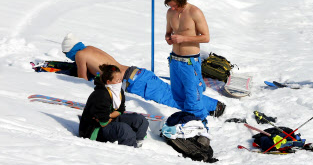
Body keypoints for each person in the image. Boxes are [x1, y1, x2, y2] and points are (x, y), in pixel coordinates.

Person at [60, 33, 224, 117]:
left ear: (70, 51)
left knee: (171, 99)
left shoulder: (80, 55)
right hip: (136, 73)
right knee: (172, 93)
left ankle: (213, 107)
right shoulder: (88, 48)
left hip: (133, 81)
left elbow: (82, 80)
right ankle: (214, 105)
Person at [165, 0, 225, 123]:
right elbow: (168, 31)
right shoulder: (170, 13)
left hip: (190, 62)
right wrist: (168, 38)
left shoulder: (194, 12)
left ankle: (201, 124)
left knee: (193, 97)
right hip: (175, 60)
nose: (172, 8)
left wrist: (183, 39)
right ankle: (188, 121)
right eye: (170, 5)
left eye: (174, 5)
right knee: (178, 96)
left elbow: (206, 37)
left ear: (181, 1)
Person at [78, 64, 149, 147]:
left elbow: (121, 110)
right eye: (117, 80)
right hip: (94, 130)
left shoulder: (118, 91)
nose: (120, 82)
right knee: (124, 129)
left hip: (107, 121)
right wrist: (111, 116)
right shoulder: (101, 95)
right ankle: (130, 150)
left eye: (120, 79)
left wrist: (109, 116)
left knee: (139, 120)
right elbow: (103, 123)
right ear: (108, 82)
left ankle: (138, 141)